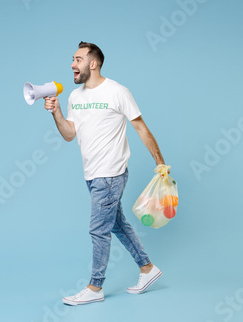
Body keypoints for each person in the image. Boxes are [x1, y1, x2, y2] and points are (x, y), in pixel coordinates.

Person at [44, 41, 168, 306]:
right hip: (91, 173)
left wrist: (160, 162)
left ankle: (95, 287)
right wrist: (56, 112)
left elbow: (141, 128)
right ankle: (148, 269)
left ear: (93, 63)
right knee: (115, 224)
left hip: (110, 173)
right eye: (72, 59)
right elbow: (69, 134)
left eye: (77, 59)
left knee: (98, 229)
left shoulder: (117, 92)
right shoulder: (75, 97)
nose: (72, 64)